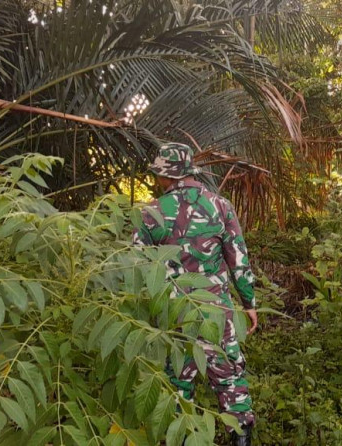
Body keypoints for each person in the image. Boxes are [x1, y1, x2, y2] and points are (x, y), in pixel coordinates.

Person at [133, 142, 257, 446]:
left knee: (175, 385)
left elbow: (137, 270)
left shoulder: (149, 213)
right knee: (229, 379)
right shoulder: (221, 206)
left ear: (166, 177)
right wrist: (249, 304)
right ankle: (240, 437)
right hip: (217, 314)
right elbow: (239, 261)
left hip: (172, 315)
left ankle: (181, 437)